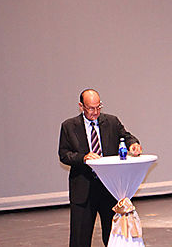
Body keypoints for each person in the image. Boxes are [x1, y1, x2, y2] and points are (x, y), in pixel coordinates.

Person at [58, 89, 142, 247]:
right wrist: (83, 157)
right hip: (83, 189)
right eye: (91, 108)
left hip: (109, 188)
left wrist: (133, 144)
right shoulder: (69, 126)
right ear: (81, 106)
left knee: (113, 236)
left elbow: (127, 136)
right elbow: (64, 154)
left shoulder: (111, 122)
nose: (95, 112)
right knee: (79, 238)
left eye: (98, 107)